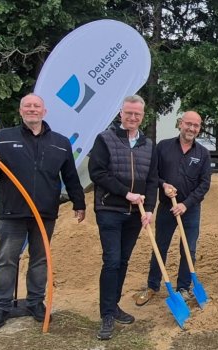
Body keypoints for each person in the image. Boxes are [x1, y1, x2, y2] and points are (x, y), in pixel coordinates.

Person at [0, 94, 86, 330]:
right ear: (21, 111)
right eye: (27, 106)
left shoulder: (60, 142)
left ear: (44, 112)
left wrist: (79, 203)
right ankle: (1, 306)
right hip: (13, 212)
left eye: (36, 106)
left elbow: (70, 176)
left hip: (44, 213)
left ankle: (35, 302)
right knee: (7, 259)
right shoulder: (3, 137)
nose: (32, 109)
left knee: (39, 260)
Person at [89, 95, 158, 340]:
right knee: (112, 261)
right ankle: (106, 314)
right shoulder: (104, 139)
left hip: (134, 215)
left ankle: (114, 305)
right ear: (121, 113)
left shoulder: (148, 145)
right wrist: (125, 193)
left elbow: (152, 179)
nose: (132, 117)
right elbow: (97, 172)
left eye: (137, 114)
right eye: (128, 113)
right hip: (109, 209)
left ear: (142, 116)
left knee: (124, 261)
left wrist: (149, 208)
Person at [133, 111, 212, 305]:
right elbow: (154, 175)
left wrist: (186, 204)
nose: (192, 128)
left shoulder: (202, 153)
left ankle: (183, 287)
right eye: (188, 124)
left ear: (199, 128)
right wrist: (164, 185)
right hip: (167, 207)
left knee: (188, 248)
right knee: (160, 246)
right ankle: (152, 286)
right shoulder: (163, 147)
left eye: (196, 126)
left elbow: (204, 184)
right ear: (180, 124)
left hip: (190, 209)